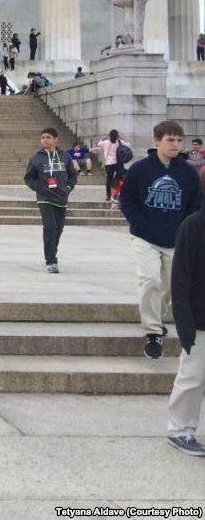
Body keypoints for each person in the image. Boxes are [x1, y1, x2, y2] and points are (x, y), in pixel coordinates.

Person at [120, 121, 203, 359]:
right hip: (145, 237)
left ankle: (157, 318)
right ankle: (153, 332)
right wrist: (141, 224)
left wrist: (184, 230)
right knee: (150, 279)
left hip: (176, 239)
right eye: (170, 139)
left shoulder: (188, 172)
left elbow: (195, 205)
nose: (176, 144)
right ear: (156, 141)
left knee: (168, 286)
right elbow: (127, 200)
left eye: (179, 140)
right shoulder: (140, 169)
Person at [167, 168, 205, 455]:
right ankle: (180, 429)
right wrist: (185, 326)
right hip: (199, 319)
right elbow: (179, 280)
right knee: (192, 376)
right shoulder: (193, 226)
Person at [23, 127, 77, 273]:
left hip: (61, 197)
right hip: (45, 198)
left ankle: (52, 251)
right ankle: (51, 260)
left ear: (55, 140)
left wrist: (68, 188)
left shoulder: (65, 156)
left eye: (48, 137)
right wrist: (40, 188)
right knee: (50, 227)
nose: (45, 140)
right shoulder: (36, 158)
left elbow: (73, 176)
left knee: (58, 229)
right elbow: (28, 178)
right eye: (43, 137)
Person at [95, 129, 131, 202]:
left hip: (109, 163)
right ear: (117, 136)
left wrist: (105, 136)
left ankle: (108, 195)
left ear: (110, 135)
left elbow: (99, 143)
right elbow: (128, 144)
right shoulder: (119, 142)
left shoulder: (105, 142)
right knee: (119, 176)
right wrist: (120, 137)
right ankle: (115, 188)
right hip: (118, 163)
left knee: (109, 179)